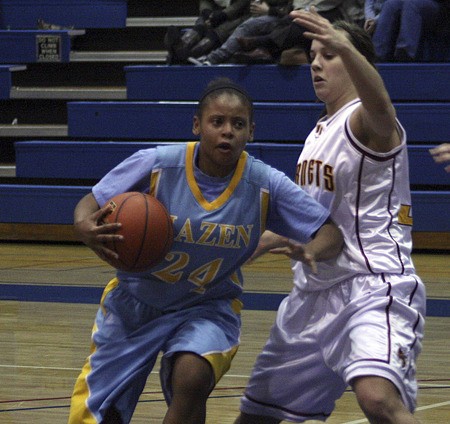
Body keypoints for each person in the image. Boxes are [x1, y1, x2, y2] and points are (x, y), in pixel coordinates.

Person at [67, 77, 344, 423]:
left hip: (208, 306)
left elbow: (330, 232)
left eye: (238, 124)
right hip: (135, 303)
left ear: (251, 132)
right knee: (100, 415)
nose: (227, 131)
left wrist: (313, 250)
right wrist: (84, 226)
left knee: (193, 376)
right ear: (197, 125)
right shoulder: (157, 163)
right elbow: (91, 202)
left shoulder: (264, 183)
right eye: (217, 122)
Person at [235, 8, 426, 424]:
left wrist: (347, 47)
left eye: (330, 54)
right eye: (313, 56)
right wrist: (261, 243)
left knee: (377, 399)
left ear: (358, 63)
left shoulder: (367, 120)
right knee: (257, 415)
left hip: (372, 284)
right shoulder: (319, 131)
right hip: (312, 295)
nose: (316, 64)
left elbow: (381, 105)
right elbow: (311, 218)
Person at [229, 0, 365, 64]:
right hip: (312, 13)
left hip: (341, 17)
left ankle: (262, 44)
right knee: (286, 20)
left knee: (300, 23)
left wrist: (304, 11)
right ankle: (265, 50)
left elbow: (326, 4)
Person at [189, 0, 294, 65]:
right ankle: (186, 53)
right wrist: (209, 14)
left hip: (281, 18)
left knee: (248, 25)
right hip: (258, 15)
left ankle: (213, 58)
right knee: (202, 21)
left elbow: (292, 12)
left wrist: (269, 10)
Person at [165, 0, 251, 64]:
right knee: (201, 24)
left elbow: (242, 4)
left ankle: (183, 54)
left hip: (239, 17)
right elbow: (205, 2)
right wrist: (207, 12)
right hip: (214, 14)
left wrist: (224, 14)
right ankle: (182, 47)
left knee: (219, 32)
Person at [370, 0, 444, 62]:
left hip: (438, 6)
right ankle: (376, 54)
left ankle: (404, 54)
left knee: (411, 4)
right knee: (390, 4)